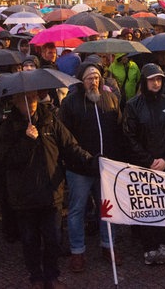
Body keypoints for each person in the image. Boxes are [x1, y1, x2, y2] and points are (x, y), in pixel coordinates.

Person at [0, 89, 95, 288]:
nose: (31, 102)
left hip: (50, 192)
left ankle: (51, 274)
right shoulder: (8, 127)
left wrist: (91, 160)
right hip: (24, 195)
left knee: (53, 238)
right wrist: (26, 140)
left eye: (33, 97)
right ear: (15, 101)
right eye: (25, 99)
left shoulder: (50, 120)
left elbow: (70, 146)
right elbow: (4, 160)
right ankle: (36, 276)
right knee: (30, 240)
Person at [58, 62, 124, 272]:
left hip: (105, 167)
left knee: (107, 208)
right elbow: (66, 139)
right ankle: (78, 251)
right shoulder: (70, 103)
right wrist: (85, 159)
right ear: (81, 80)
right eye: (89, 78)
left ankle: (108, 245)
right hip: (80, 167)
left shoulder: (110, 99)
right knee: (77, 210)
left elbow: (118, 129)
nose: (93, 81)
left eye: (96, 77)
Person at [122, 63, 165, 265]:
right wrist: (148, 160)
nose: (156, 83)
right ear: (144, 81)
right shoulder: (133, 105)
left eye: (159, 79)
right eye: (152, 79)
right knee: (147, 206)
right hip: (143, 166)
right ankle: (148, 246)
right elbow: (129, 137)